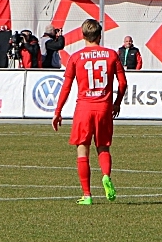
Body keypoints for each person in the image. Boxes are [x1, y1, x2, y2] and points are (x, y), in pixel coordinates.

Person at [51, 19, 129, 205]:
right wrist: (116, 103)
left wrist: (58, 111)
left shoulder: (76, 57)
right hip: (103, 107)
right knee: (103, 146)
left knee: (82, 149)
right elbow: (123, 83)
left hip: (84, 108)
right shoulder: (111, 55)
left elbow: (66, 87)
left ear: (82, 35)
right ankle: (106, 176)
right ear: (100, 35)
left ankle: (87, 195)